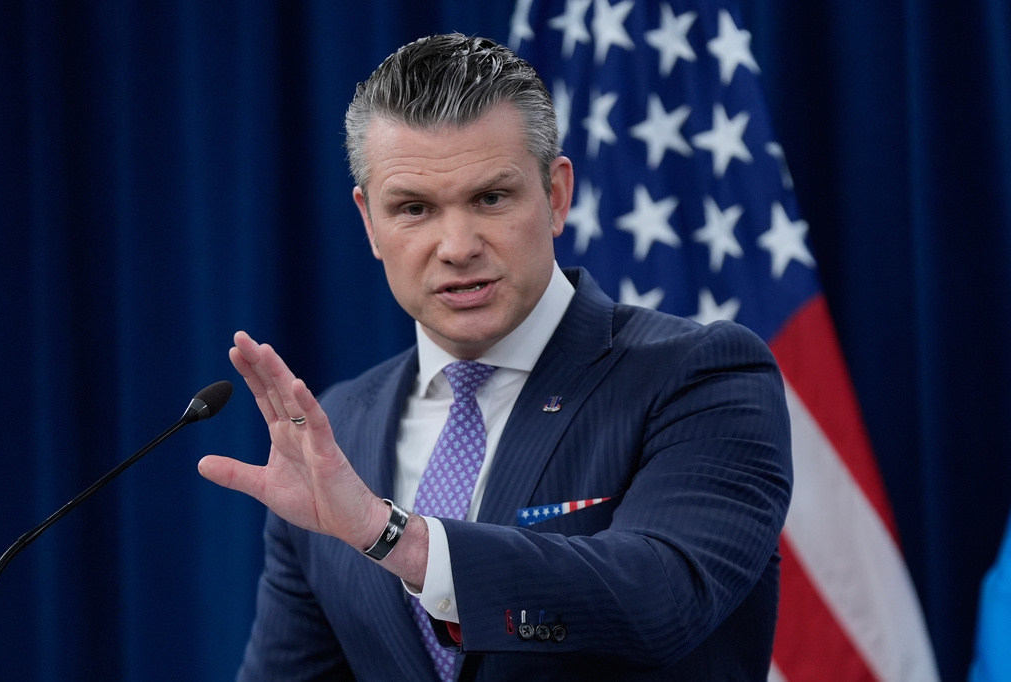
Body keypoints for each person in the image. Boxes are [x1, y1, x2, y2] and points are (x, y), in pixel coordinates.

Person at [198, 33, 792, 681]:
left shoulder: (702, 376)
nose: (456, 246)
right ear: (369, 223)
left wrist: (391, 534)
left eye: (490, 198)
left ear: (557, 196)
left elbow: (662, 601)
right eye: (414, 208)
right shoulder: (333, 433)